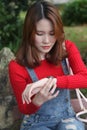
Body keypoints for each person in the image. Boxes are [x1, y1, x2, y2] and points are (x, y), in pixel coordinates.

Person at [8, 0, 87, 130]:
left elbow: (85, 79)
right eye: (39, 34)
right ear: (29, 32)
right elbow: (24, 108)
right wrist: (37, 100)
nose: (47, 41)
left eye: (52, 33)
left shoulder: (66, 48)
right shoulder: (17, 66)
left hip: (67, 118)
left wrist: (50, 82)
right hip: (36, 123)